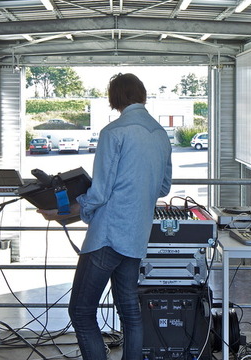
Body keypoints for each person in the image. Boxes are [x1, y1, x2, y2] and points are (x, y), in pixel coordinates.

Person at [39, 73, 172, 360]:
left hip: (108, 237)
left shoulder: (114, 132)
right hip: (136, 236)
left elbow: (99, 193)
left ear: (115, 98)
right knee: (130, 313)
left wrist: (64, 210)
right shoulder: (161, 134)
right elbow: (163, 187)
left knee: (81, 310)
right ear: (142, 94)